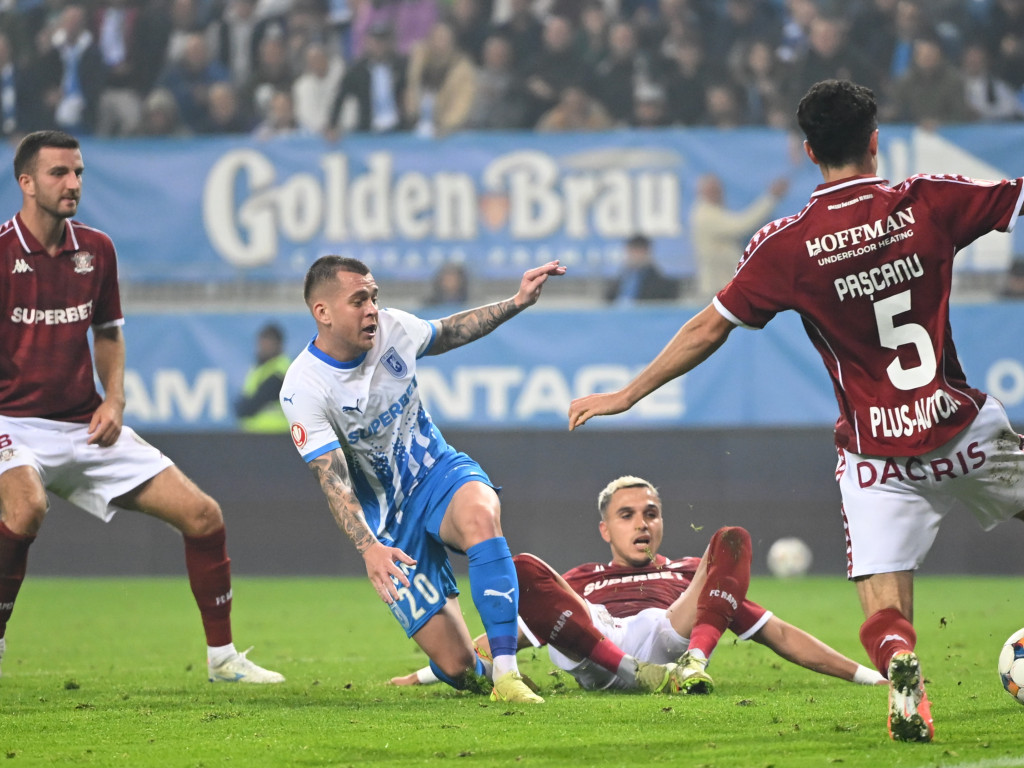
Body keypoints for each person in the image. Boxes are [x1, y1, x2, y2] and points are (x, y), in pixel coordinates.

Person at [568, 79, 1024, 743]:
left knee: (882, 593)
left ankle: (901, 667)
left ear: (810, 152)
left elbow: (709, 326)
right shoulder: (928, 201)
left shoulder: (789, 243)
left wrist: (627, 394)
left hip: (877, 458)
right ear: (875, 141)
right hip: (963, 431)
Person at [0, 130, 283, 684]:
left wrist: (115, 398)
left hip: (86, 425)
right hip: (13, 422)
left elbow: (107, 333)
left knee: (204, 516)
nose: (74, 183)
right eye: (59, 173)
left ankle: (223, 659)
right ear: (26, 182)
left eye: (78, 172)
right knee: (26, 508)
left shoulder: (96, 250)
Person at [279, 255, 565, 704]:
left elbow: (448, 331)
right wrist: (369, 547)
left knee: (480, 515)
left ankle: (508, 673)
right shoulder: (304, 387)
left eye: (374, 296)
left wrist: (516, 302)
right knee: (457, 667)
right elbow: (332, 479)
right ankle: (482, 671)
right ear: (323, 312)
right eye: (359, 300)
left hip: (437, 474)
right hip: (389, 524)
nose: (372, 308)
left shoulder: (393, 329)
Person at [391, 475, 885, 693]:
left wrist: (867, 676)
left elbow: (775, 631)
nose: (642, 524)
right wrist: (427, 674)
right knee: (520, 566)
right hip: (596, 638)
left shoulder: (691, 572)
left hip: (665, 631)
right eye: (627, 516)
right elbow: (503, 638)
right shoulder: (581, 580)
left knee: (731, 540)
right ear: (606, 530)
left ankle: (694, 663)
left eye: (651, 514)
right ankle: (635, 670)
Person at [690, 173, 789, 301]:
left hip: (725, 288)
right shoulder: (705, 215)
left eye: (718, 189)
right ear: (702, 192)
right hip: (717, 290)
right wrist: (770, 198)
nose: (718, 193)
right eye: (712, 190)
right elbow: (743, 225)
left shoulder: (713, 212)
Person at [235, 322, 290, 433]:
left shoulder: (280, 370)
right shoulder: (259, 368)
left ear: (278, 345)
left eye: (269, 343)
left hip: (276, 433)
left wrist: (243, 407)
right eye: (262, 342)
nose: (263, 347)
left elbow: (252, 405)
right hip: (255, 433)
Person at [604, 234, 679, 304]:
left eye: (638, 251)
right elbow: (608, 300)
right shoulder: (621, 278)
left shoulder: (661, 283)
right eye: (632, 251)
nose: (635, 256)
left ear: (647, 252)